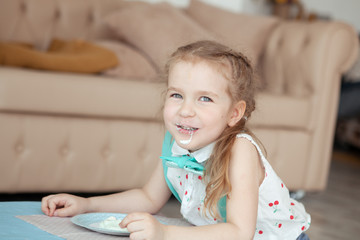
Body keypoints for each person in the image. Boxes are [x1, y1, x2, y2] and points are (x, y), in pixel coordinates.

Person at [42, 40, 311, 240]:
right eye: (176, 95)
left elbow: (240, 233)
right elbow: (148, 198)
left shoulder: (240, 150)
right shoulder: (177, 142)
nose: (185, 110)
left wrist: (165, 233)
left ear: (234, 113)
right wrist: (88, 204)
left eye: (204, 98)